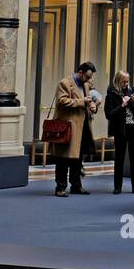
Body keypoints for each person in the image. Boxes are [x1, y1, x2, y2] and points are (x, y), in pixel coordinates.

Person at [51, 61, 99, 198]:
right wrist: (81, 101)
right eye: (87, 77)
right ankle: (60, 187)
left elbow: (92, 99)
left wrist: (93, 105)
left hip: (83, 127)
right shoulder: (65, 83)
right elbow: (61, 101)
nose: (89, 80)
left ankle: (76, 186)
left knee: (77, 159)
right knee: (63, 159)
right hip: (68, 128)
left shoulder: (86, 84)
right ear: (80, 72)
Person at [104, 71, 134, 194]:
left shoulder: (132, 90)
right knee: (119, 158)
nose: (126, 84)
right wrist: (122, 105)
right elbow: (109, 114)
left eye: (128, 81)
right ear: (118, 80)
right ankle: (117, 186)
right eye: (124, 81)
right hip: (120, 130)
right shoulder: (111, 94)